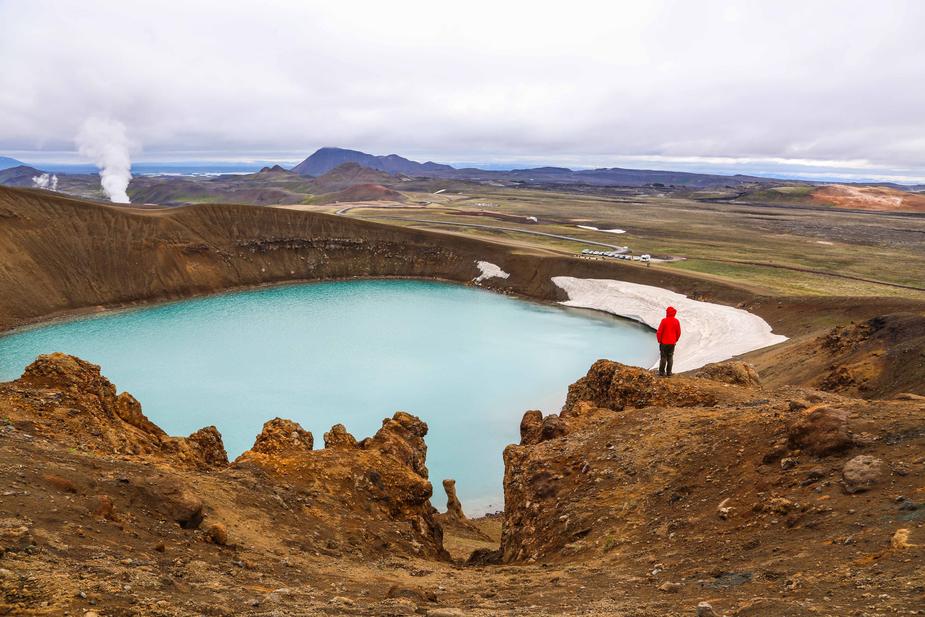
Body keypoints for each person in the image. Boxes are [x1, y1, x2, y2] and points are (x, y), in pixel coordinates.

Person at [656, 306, 681, 377]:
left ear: (668, 312)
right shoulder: (676, 321)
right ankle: (669, 373)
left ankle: (661, 373)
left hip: (664, 342)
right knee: (670, 357)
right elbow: (678, 332)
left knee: (663, 357)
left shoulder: (664, 320)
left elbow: (659, 332)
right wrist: (675, 340)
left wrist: (659, 340)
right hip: (672, 343)